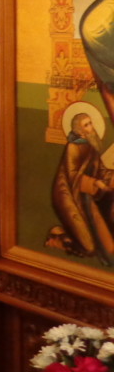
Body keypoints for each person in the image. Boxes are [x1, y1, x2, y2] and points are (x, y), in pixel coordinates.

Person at [50, 111, 114, 264]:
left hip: (88, 194)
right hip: (70, 196)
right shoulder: (73, 147)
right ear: (79, 130)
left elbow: (101, 171)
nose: (91, 127)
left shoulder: (91, 146)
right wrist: (94, 183)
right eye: (86, 125)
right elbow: (72, 176)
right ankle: (57, 236)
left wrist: (111, 178)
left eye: (90, 123)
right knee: (89, 248)